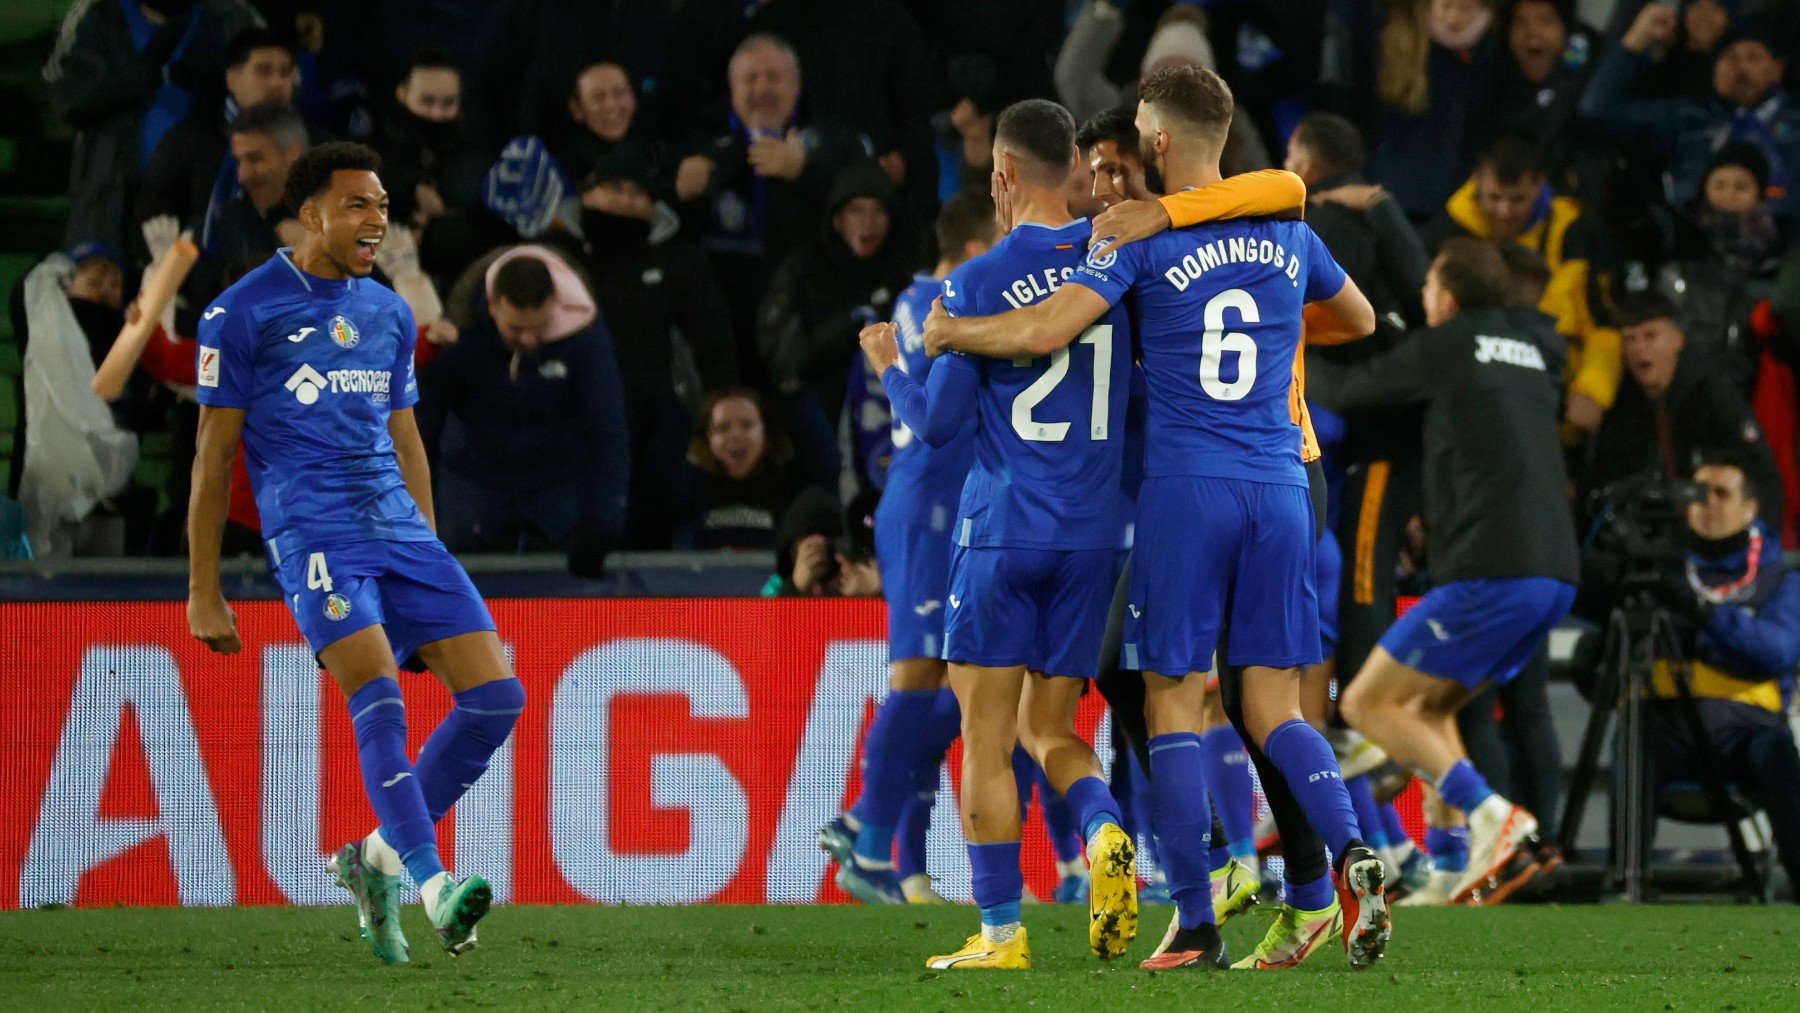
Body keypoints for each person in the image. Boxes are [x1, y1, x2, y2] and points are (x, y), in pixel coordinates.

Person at [924, 67, 1387, 973]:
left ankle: (1199, 918)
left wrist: (949, 333)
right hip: (1284, 480)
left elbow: (1046, 330)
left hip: (1187, 493)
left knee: (1169, 699)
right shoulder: (1286, 231)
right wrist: (1279, 328)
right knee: (1272, 705)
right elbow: (1360, 317)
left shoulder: (1140, 244)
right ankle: (1351, 853)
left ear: (1161, 144)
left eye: (1135, 139)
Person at [186, 141, 518, 962]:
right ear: (311, 216)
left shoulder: (389, 311)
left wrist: (430, 551)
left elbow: (406, 434)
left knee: (497, 700)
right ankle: (435, 885)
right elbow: (212, 453)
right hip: (314, 535)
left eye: (381, 204)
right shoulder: (241, 313)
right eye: (358, 205)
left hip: (401, 533)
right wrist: (203, 587)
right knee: (381, 701)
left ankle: (372, 858)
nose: (377, 221)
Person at [872, 99, 1139, 972]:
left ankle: (1000, 934)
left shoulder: (973, 284)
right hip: (1092, 540)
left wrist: (891, 366)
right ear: (1071, 167)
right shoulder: (1117, 262)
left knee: (986, 739)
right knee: (1053, 729)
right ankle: (1102, 830)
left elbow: (937, 427)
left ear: (1002, 176)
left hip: (999, 536)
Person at [1310, 238, 1579, 907]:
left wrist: (1287, 345)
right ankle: (1455, 861)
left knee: (1366, 703)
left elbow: (1346, 391)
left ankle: (1494, 815)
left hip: (1491, 568)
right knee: (1434, 704)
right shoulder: (1531, 352)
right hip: (1554, 572)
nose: (1424, 295)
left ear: (1449, 297)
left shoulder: (1449, 343)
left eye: (1429, 285)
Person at [820, 189, 997, 906]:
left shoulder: (918, 293)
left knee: (958, 690)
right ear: (979, 248)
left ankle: (893, 850)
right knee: (921, 675)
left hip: (934, 502)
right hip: (927, 503)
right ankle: (867, 839)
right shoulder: (952, 299)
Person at [1639, 449, 1800, 901]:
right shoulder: (1662, 571)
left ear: (1750, 508)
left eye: (1721, 493)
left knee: (1777, 750)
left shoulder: (1781, 578)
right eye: (1697, 493)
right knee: (1635, 736)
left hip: (1746, 735)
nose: (1706, 503)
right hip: (1673, 729)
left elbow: (1776, 651)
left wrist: (1703, 619)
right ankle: (1627, 880)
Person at [418, 246, 629, 575]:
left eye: (539, 327)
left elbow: (608, 431)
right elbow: (421, 427)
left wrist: (603, 524)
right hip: (473, 483)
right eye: (516, 329)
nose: (529, 339)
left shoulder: (586, 337)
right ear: (492, 305)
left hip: (555, 484)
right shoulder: (459, 329)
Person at [676, 33, 873, 380]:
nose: (762, 89)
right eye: (750, 79)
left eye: (774, 77)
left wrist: (804, 171)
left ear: (796, 83)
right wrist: (683, 194)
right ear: (732, 86)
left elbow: (872, 209)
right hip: (722, 320)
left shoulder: (834, 141)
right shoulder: (700, 140)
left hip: (813, 317)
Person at [570, 146, 738, 549]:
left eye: (638, 192)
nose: (627, 200)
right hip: (578, 415)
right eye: (614, 188)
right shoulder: (563, 256)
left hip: (663, 422)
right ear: (587, 195)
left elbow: (712, 341)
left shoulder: (681, 261)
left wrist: (721, 399)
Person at [1421, 134, 1621, 436]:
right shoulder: (1448, 234)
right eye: (1494, 197)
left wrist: (1592, 389)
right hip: (1471, 405)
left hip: (1554, 409)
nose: (1504, 211)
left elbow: (1605, 325)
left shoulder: (1575, 234)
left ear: (1539, 184)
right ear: (1477, 181)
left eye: (1517, 199)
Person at [44, 0, 262, 251]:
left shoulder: (232, 17)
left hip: (207, 208)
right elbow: (67, 97)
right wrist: (150, 64)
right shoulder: (97, 12)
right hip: (109, 211)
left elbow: (279, 104)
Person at [757, 161, 913, 488]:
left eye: (878, 211)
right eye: (857, 210)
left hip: (896, 411)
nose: (868, 223)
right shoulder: (802, 270)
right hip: (823, 409)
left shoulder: (908, 274)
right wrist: (855, 325)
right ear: (837, 219)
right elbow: (786, 363)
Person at [1587, 292, 1786, 539]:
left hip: (1713, 539)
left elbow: (1763, 475)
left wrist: (1758, 545)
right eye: (1629, 339)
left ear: (1678, 339)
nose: (1639, 349)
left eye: (1650, 336)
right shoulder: (1622, 404)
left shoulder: (1712, 395)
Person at [1580, 15, 1800, 223]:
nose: (1739, 68)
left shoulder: (1795, 122)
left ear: (1777, 69)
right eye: (1729, 57)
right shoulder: (1684, 115)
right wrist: (1637, 39)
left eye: (1753, 57)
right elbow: (1598, 113)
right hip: (1690, 249)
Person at [138, 26, 298, 238]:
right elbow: (149, 221)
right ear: (232, 79)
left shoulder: (318, 144)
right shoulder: (189, 140)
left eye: (285, 73)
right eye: (264, 70)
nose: (278, 82)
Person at [1284, 112, 1431, 325]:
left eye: (1289, 155)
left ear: (1306, 167)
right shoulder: (1381, 214)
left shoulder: (1306, 226)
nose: (1284, 164)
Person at [371, 50, 494, 281]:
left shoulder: (477, 162)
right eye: (427, 101)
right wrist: (412, 191)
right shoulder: (375, 155)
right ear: (402, 94)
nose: (437, 114)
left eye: (448, 103)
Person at [680, 388, 798, 552]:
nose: (735, 434)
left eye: (747, 425)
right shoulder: (687, 492)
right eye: (722, 428)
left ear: (765, 436)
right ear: (708, 440)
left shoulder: (791, 489)